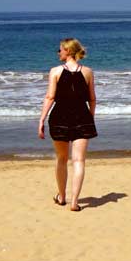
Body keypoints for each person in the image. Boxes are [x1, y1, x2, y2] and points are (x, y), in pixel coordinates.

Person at [36, 39, 97, 209]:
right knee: (79, 161)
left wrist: (41, 119)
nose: (58, 52)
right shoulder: (88, 72)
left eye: (60, 50)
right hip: (82, 118)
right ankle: (75, 202)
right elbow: (92, 99)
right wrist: (89, 118)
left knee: (62, 159)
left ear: (68, 51)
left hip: (59, 118)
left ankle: (62, 197)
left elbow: (50, 97)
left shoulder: (55, 71)